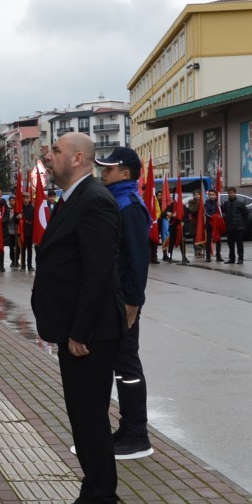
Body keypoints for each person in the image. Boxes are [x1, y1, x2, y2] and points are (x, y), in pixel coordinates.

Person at [32, 133, 127, 504]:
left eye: (54, 152)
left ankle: (106, 503)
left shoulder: (95, 201)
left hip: (90, 333)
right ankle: (91, 490)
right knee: (81, 416)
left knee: (90, 417)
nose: (47, 157)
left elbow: (98, 274)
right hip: (75, 330)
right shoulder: (74, 199)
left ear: (76, 158)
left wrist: (80, 332)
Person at [95, 148, 153, 459]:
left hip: (123, 300)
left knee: (128, 365)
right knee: (121, 364)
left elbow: (137, 258)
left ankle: (137, 433)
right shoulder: (117, 199)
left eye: (109, 168)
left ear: (125, 173)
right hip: (114, 297)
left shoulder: (129, 205)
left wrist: (133, 301)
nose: (103, 173)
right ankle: (128, 427)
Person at [221, 187, 250, 263]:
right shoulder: (226, 203)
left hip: (238, 227)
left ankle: (240, 258)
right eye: (229, 193)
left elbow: (246, 214)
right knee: (230, 244)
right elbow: (224, 212)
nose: (230, 194)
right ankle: (232, 259)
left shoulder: (240, 203)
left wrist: (244, 225)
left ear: (235, 193)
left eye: (232, 193)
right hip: (229, 227)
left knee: (239, 244)